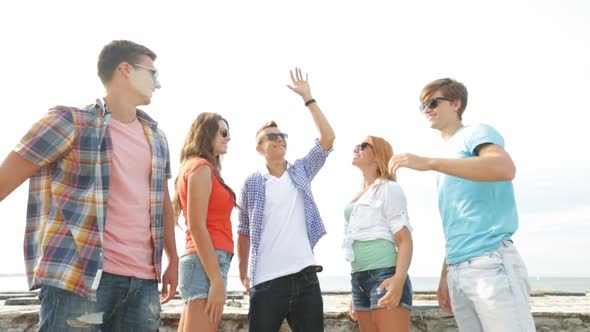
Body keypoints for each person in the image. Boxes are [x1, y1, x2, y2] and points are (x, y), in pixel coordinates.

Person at [0, 40, 178, 331]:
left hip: (144, 284)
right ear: (125, 70)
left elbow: (162, 203)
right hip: (80, 280)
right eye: (152, 74)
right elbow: (5, 179)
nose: (157, 84)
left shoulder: (157, 138)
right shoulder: (70, 122)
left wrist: (172, 259)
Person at [388, 78, 535, 331]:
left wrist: (429, 162)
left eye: (433, 102)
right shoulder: (448, 156)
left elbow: (504, 167)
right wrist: (446, 274)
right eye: (422, 105)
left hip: (489, 262)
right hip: (459, 269)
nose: (427, 109)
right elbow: (460, 220)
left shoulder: (475, 132)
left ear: (456, 104)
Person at [237, 68, 335, 332]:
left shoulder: (300, 171)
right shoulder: (252, 182)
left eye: (282, 136)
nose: (280, 139)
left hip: (305, 276)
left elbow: (327, 140)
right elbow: (244, 230)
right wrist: (244, 272)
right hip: (267, 280)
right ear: (260, 148)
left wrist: (309, 99)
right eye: (272, 136)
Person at [173, 112, 235, 332]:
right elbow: (197, 225)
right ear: (207, 133)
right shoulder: (200, 168)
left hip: (204, 262)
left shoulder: (198, 167)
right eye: (223, 132)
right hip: (205, 263)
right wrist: (216, 280)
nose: (228, 138)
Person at [344, 136, 413, 331]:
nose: (356, 148)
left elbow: (404, 239)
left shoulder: (389, 189)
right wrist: (356, 290)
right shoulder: (358, 195)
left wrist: (398, 280)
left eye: (363, 145)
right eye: (356, 144)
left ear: (378, 155)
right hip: (359, 279)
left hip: (385, 275)